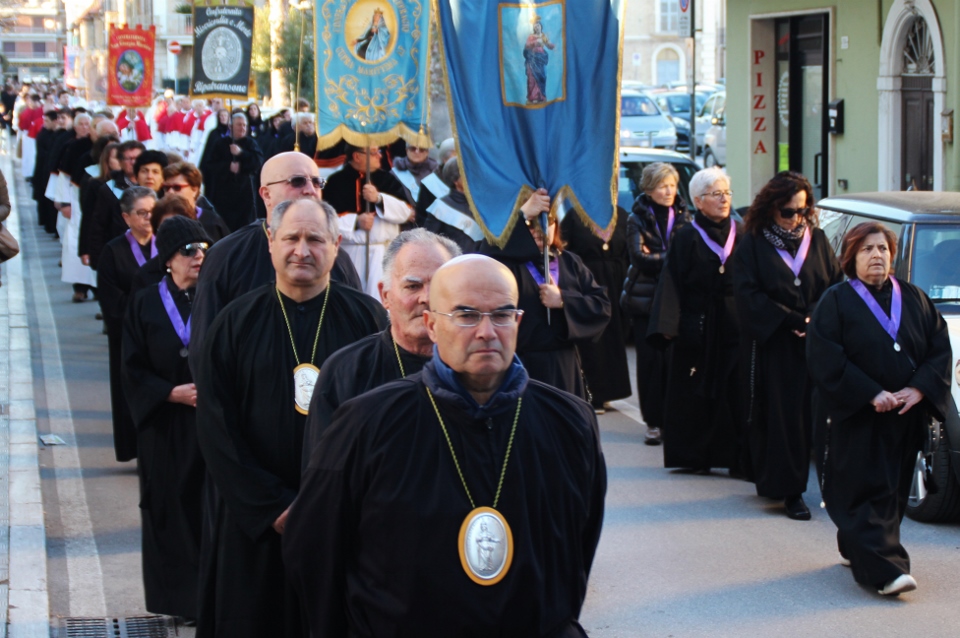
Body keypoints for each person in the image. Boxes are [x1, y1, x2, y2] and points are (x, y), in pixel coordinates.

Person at [283, 254, 606, 637]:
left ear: (518, 322)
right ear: (432, 325)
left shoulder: (569, 421)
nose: (487, 331)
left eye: (502, 315)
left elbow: (577, 551)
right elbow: (315, 548)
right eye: (467, 315)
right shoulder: (368, 422)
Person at [195, 198, 387, 638]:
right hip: (256, 523)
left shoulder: (368, 320)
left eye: (315, 239)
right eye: (291, 238)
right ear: (270, 242)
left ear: (336, 245)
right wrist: (273, 506)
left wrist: (341, 506)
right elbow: (216, 426)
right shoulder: (234, 323)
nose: (302, 250)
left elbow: (384, 420)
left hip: (341, 522)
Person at [807, 222, 952, 596]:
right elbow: (825, 357)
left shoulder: (914, 297)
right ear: (851, 257)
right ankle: (887, 571)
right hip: (855, 417)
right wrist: (870, 392)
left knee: (892, 491)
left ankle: (856, 547)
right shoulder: (835, 301)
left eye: (883, 249)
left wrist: (919, 389)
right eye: (867, 249)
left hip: (904, 415)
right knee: (864, 490)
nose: (877, 255)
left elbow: (939, 347)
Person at [188, 152, 362, 373]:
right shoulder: (226, 256)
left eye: (317, 182)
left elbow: (359, 337)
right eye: (297, 181)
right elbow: (206, 347)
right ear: (266, 194)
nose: (310, 190)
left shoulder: (337, 257)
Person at [733, 171, 843, 520]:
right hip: (776, 343)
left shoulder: (818, 240)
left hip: (816, 341)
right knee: (785, 418)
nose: (796, 218)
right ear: (771, 207)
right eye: (788, 211)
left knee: (818, 417)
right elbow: (748, 295)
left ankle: (835, 488)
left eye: (803, 210)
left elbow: (834, 285)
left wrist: (813, 319)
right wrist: (791, 321)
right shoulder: (752, 243)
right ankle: (791, 491)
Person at [301, 228, 461, 468]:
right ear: (385, 296)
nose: (426, 298)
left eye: (439, 285)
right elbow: (325, 473)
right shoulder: (345, 371)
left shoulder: (479, 369)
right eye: (413, 286)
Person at [121, 216, 211, 621]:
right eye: (189, 251)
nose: (199, 257)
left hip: (208, 423)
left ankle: (211, 598)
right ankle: (181, 601)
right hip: (165, 425)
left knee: (207, 510)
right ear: (169, 259)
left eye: (204, 249)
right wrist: (168, 393)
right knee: (169, 509)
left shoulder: (218, 299)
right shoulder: (144, 302)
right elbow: (131, 367)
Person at [647, 166, 742, 473]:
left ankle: (735, 457)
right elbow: (672, 281)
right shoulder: (687, 235)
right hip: (697, 324)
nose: (724, 199)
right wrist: (668, 326)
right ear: (698, 201)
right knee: (693, 392)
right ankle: (694, 457)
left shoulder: (742, 232)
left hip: (735, 323)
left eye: (726, 193)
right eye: (716, 194)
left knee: (734, 390)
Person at [479, 189, 611, 399]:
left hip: (563, 365)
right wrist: (522, 214)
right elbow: (485, 255)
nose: (540, 230)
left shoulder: (570, 262)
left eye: (546, 222)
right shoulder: (506, 264)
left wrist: (564, 300)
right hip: (522, 365)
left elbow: (601, 306)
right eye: (532, 224)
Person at [623, 163, 692, 443]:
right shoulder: (636, 217)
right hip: (646, 299)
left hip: (676, 298)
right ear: (649, 189)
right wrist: (672, 257)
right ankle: (652, 422)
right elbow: (638, 257)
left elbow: (689, 255)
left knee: (675, 361)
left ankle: (673, 419)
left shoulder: (685, 215)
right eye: (663, 186)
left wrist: (660, 256)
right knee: (651, 362)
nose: (669, 191)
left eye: (672, 185)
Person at [97, 186, 158, 462]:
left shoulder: (167, 245)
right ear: (126, 217)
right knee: (129, 393)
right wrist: (143, 317)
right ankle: (135, 449)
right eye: (141, 213)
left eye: (152, 212)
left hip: (163, 334)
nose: (148, 218)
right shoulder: (113, 251)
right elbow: (111, 300)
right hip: (128, 335)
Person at [561, 204, 631, 413]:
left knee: (615, 338)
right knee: (594, 341)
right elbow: (565, 251)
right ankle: (594, 394)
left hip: (617, 280)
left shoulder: (621, 214)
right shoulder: (575, 216)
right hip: (589, 280)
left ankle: (611, 391)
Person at [324, 144, 413, 296]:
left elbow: (407, 212)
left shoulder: (388, 179)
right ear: (357, 156)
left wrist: (379, 199)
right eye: (373, 153)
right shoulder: (336, 182)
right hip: (351, 253)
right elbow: (325, 222)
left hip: (382, 253)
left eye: (379, 151)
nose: (380, 156)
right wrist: (355, 222)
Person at [85, 140, 145, 270]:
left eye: (137, 158)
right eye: (128, 159)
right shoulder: (109, 189)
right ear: (121, 161)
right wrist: (95, 257)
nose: (133, 162)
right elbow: (98, 225)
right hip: (119, 254)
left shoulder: (154, 187)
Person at [206, 114, 263, 231]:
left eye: (244, 125)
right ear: (230, 126)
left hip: (245, 193)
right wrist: (227, 166)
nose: (242, 128)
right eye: (239, 125)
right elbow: (210, 166)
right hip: (224, 194)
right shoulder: (220, 143)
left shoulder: (251, 143)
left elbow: (258, 162)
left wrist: (241, 153)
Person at [422, 157, 484, 253]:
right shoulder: (440, 206)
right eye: (466, 174)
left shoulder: (481, 207)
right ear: (455, 180)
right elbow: (427, 242)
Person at [162, 162, 230, 242]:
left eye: (177, 187)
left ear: (194, 189)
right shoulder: (158, 220)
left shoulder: (212, 222)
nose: (170, 192)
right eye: (166, 188)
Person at [391, 141, 437, 206]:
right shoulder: (394, 174)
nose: (417, 152)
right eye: (413, 148)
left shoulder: (437, 171)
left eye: (422, 149)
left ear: (427, 152)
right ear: (407, 150)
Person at [524, 18, 555, 104]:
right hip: (533, 59)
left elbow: (548, 45)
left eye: (538, 26)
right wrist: (535, 42)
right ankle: (533, 97)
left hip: (541, 59)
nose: (537, 27)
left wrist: (553, 46)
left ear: (541, 27)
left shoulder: (543, 36)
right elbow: (527, 46)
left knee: (542, 77)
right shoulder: (531, 37)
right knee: (532, 78)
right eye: (535, 26)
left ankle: (541, 96)